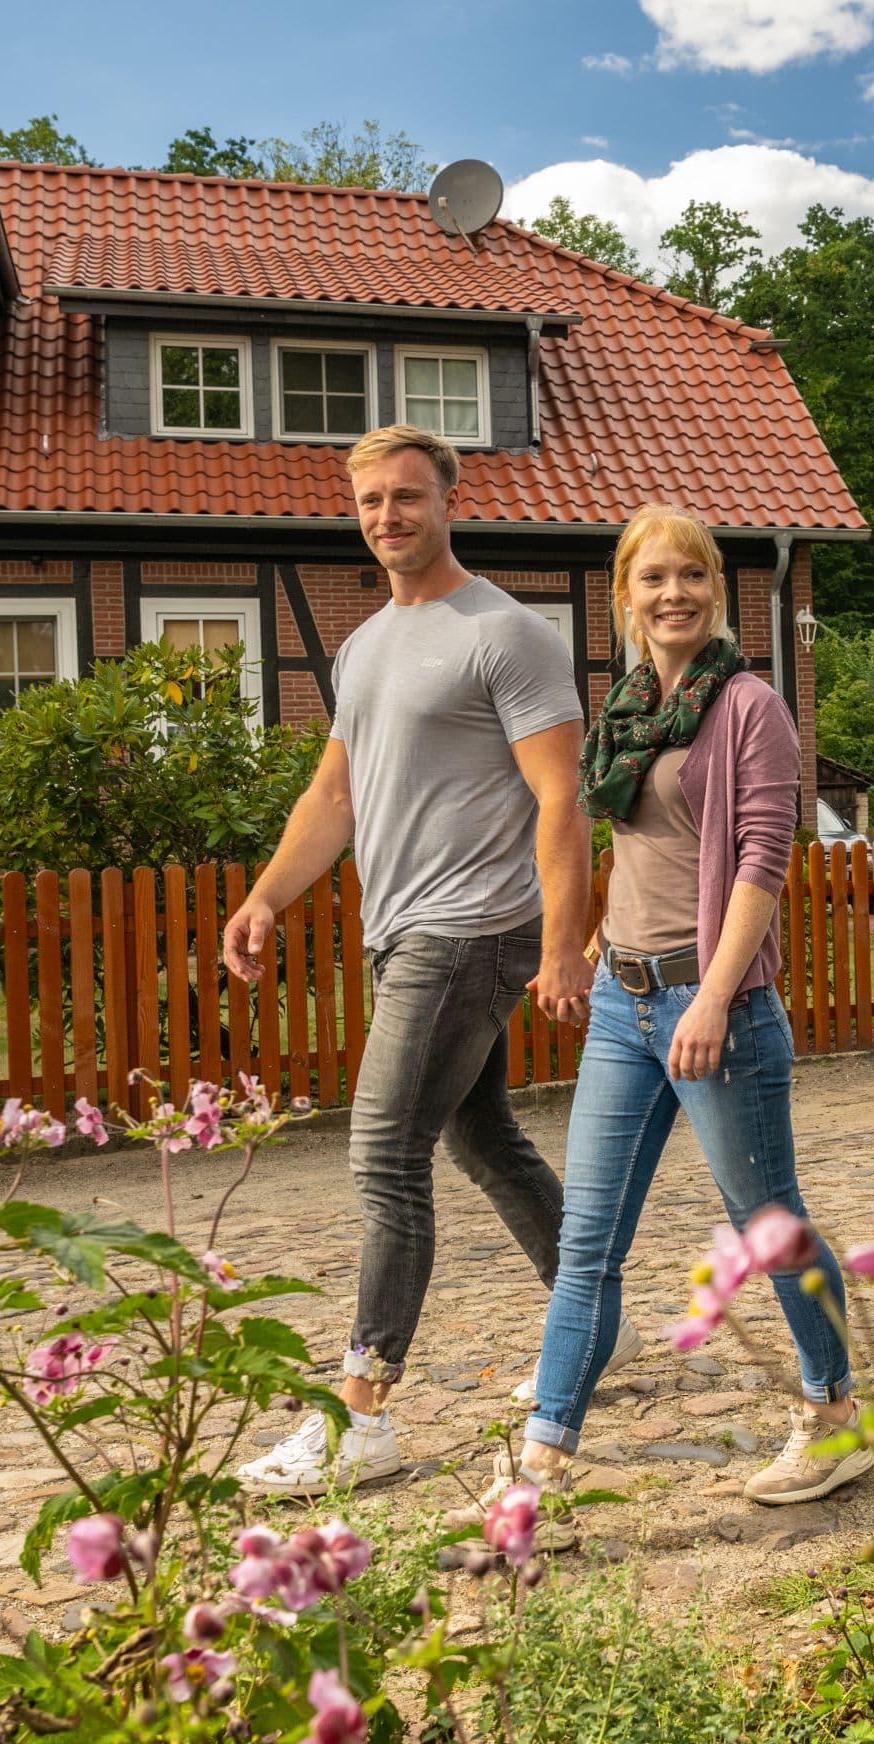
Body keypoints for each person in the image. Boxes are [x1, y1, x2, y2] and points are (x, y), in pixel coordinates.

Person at [224, 424, 628, 1492]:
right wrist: (268, 894)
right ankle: (590, 1323)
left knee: (382, 1153)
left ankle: (360, 1412)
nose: (388, 516)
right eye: (369, 501)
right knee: (482, 1138)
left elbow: (563, 799)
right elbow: (335, 796)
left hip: (470, 931)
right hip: (400, 929)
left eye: (407, 496)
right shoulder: (363, 647)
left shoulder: (506, 634)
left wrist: (559, 943)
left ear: (449, 499)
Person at [507, 503, 864, 1509]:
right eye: (654, 578)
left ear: (718, 590)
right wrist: (587, 944)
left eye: (694, 576)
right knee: (589, 1239)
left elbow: (761, 859)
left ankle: (835, 1413)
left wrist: (711, 995)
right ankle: (543, 1469)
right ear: (625, 596)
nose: (675, 593)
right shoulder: (627, 706)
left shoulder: (749, 705)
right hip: (624, 1002)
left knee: (766, 1221)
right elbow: (639, 844)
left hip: (719, 1008)